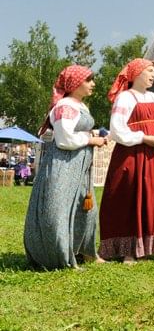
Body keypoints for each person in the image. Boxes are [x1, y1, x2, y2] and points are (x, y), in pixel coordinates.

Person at [23, 65, 108, 269]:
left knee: (86, 209)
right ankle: (55, 256)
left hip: (79, 167)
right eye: (89, 80)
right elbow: (64, 139)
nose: (93, 84)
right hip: (62, 165)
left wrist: (95, 134)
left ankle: (85, 251)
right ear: (75, 84)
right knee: (57, 210)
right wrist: (90, 139)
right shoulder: (64, 107)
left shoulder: (79, 106)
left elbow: (73, 131)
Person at [99, 58, 154, 264]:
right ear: (137, 74)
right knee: (128, 197)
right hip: (130, 156)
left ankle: (146, 247)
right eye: (149, 71)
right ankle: (127, 251)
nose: (153, 75)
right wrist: (143, 138)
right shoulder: (125, 98)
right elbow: (117, 129)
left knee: (148, 197)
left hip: (150, 157)